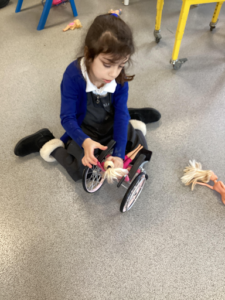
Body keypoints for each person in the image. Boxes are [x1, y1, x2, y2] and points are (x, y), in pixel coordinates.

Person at [14, 13, 161, 182]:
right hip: (86, 128)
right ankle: (44, 141)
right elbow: (67, 118)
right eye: (107, 64)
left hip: (111, 122)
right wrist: (84, 142)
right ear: (89, 55)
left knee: (142, 153)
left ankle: (131, 115)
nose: (114, 73)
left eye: (121, 65)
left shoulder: (119, 79)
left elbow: (120, 117)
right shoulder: (73, 76)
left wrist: (119, 155)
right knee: (81, 173)